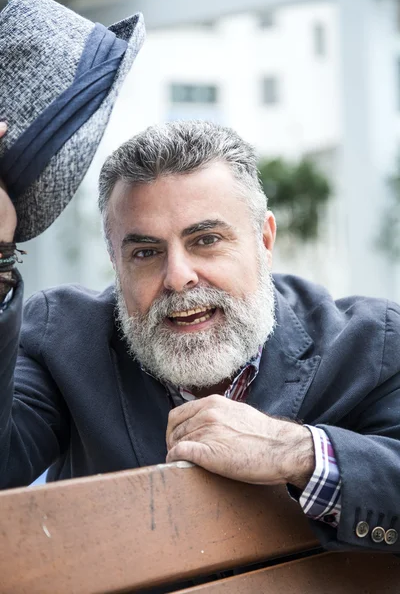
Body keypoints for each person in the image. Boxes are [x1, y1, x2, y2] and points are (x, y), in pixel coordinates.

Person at [0, 119, 399, 553]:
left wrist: (299, 452)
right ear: (115, 262)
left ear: (264, 240)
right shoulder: (60, 339)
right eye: (146, 253)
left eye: (206, 240)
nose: (178, 277)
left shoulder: (373, 346)